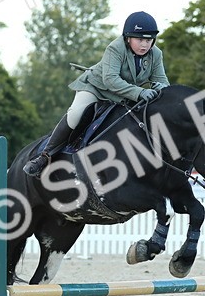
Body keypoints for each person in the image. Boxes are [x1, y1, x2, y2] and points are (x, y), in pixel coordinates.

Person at [23, 11, 169, 177]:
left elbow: (162, 80)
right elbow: (110, 80)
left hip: (125, 95)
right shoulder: (115, 48)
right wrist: (141, 91)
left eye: (148, 40)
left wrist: (160, 88)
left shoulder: (156, 54)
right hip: (97, 89)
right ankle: (44, 156)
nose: (144, 44)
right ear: (128, 38)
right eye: (140, 39)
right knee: (76, 115)